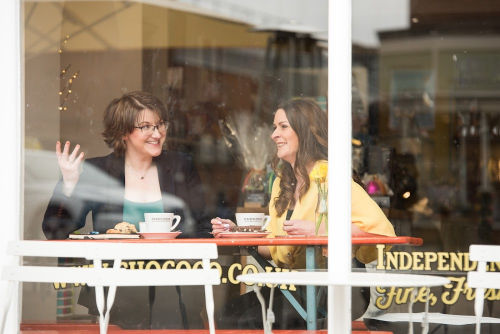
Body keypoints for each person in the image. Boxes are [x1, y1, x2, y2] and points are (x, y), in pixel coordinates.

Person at [211, 98, 396, 328]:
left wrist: (320, 231)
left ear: (306, 132)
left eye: (283, 126)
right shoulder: (282, 182)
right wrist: (238, 232)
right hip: (298, 290)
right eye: (274, 127)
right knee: (224, 315)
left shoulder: (332, 178)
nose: (274, 134)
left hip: (336, 291)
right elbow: (272, 250)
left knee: (242, 322)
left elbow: (383, 234)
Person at [42, 91, 211, 329]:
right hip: (118, 292)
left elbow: (202, 225)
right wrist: (69, 186)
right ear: (123, 133)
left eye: (160, 124)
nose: (157, 133)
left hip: (175, 289)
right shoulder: (99, 170)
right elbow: (55, 231)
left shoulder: (181, 165)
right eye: (146, 127)